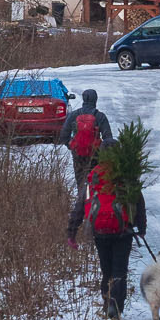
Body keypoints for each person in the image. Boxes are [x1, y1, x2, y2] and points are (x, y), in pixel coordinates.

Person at [85, 153, 146, 320]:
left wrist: (73, 228)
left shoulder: (94, 175)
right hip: (123, 232)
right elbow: (138, 202)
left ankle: (106, 303)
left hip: (100, 232)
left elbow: (85, 202)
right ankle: (116, 306)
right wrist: (141, 228)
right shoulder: (125, 173)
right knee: (120, 271)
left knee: (106, 271)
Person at [60, 88, 113, 248]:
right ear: (95, 100)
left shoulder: (74, 115)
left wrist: (73, 146)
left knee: (82, 188)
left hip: (78, 158)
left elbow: (63, 136)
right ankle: (95, 223)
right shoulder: (100, 116)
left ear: (83, 99)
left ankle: (80, 223)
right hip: (96, 159)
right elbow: (109, 139)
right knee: (96, 189)